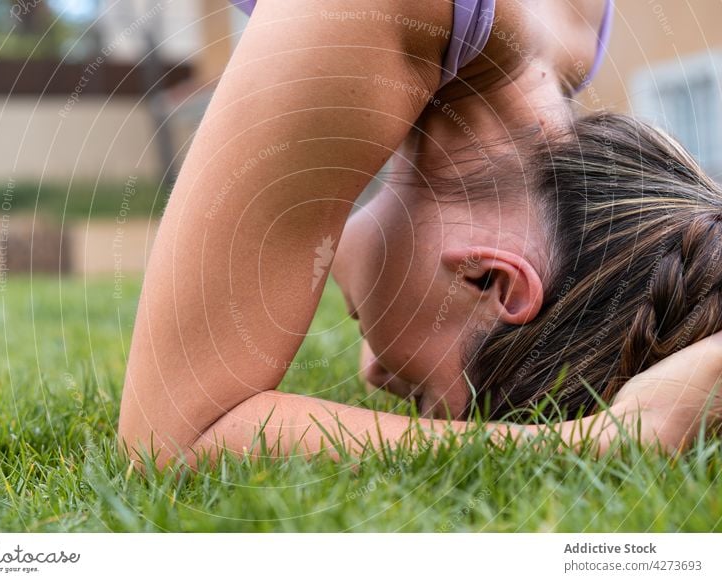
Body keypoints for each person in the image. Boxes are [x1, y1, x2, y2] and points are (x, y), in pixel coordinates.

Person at [118, 0, 722, 468]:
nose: (375, 377)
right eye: (427, 399)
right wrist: (588, 445)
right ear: (489, 277)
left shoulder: (573, 28)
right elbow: (174, 438)